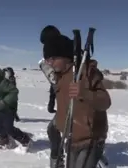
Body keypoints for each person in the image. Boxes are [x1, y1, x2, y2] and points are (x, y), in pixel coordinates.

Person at [42, 34, 111, 168]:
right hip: (72, 137)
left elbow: (105, 102)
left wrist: (84, 92)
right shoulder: (58, 77)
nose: (49, 63)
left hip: (91, 138)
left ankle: (97, 159)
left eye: (52, 58)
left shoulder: (85, 73)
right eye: (47, 60)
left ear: (64, 57)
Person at [40, 25, 64, 168]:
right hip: (63, 100)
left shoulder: (65, 52)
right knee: (53, 129)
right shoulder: (53, 54)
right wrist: (51, 102)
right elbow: (54, 81)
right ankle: (57, 159)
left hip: (76, 101)